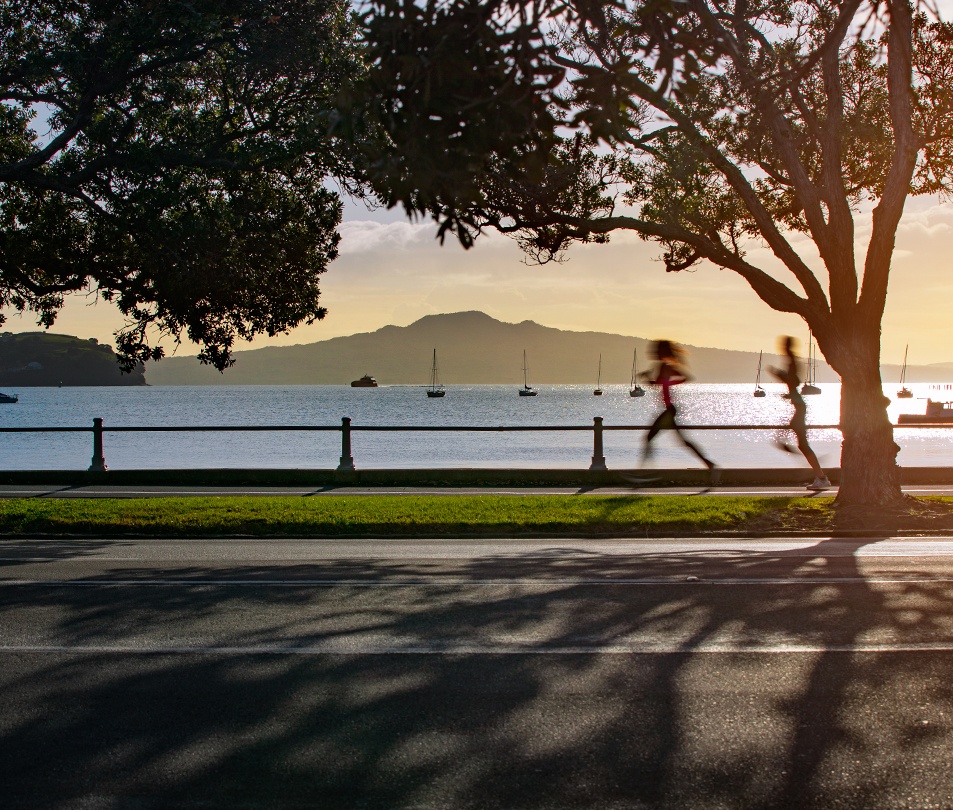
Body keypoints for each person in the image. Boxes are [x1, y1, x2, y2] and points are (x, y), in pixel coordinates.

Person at [636, 339, 719, 483]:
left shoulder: (663, 366)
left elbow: (666, 382)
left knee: (649, 438)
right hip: (670, 410)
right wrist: (661, 382)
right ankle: (710, 465)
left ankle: (645, 474)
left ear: (661, 352)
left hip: (669, 410)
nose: (652, 353)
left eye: (655, 350)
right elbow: (677, 380)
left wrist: (650, 379)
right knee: (683, 442)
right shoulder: (665, 366)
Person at [768, 335, 831, 491]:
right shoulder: (792, 361)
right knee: (799, 444)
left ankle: (821, 476)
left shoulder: (792, 362)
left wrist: (779, 374)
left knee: (798, 444)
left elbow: (794, 382)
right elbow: (794, 384)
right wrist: (788, 391)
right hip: (798, 406)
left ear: (786, 346)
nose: (782, 348)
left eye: (783, 346)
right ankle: (819, 475)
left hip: (799, 408)